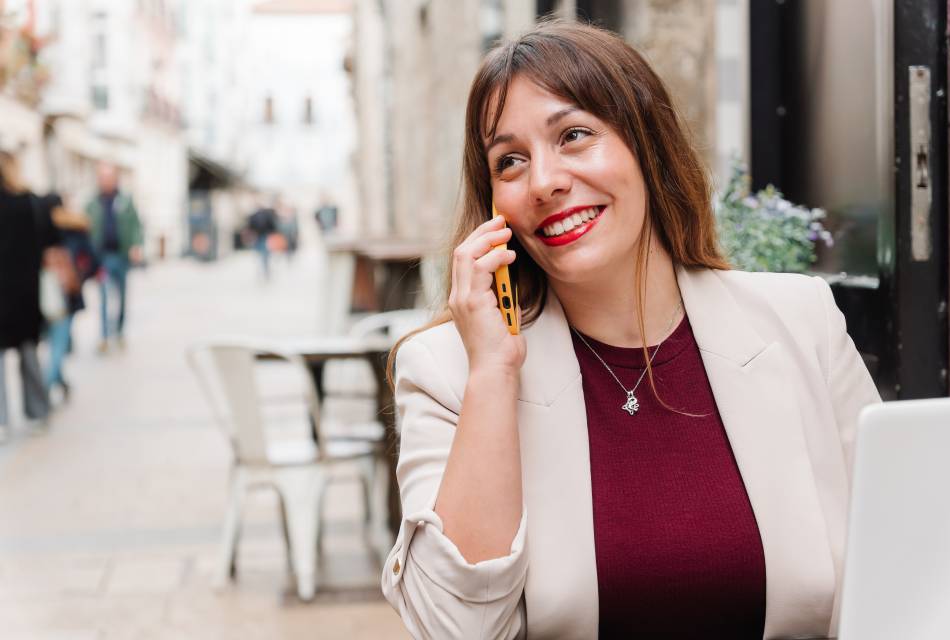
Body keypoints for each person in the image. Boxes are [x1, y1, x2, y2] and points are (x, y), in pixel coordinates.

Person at [381, 21, 881, 640]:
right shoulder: (447, 371)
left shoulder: (801, 323)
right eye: (510, 161)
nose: (544, 182)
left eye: (574, 135)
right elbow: (453, 627)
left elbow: (897, 567)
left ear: (648, 146)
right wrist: (492, 373)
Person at [0, 151, 54, 440]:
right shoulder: (31, 203)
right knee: (29, 355)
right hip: (25, 291)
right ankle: (37, 411)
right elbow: (50, 239)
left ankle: (1, 420)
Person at [85, 162, 144, 353]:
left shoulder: (125, 200)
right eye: (102, 177)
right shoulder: (92, 203)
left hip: (121, 256)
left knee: (122, 297)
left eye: (109, 177)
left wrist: (136, 246)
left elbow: (137, 226)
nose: (105, 181)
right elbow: (85, 229)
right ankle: (103, 336)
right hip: (102, 258)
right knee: (103, 297)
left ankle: (118, 332)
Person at [45, 196, 99, 401]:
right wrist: (80, 277)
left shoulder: (42, 230)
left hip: (47, 296)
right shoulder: (77, 229)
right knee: (58, 346)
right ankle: (53, 384)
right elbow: (93, 260)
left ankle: (47, 388)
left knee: (55, 346)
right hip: (66, 296)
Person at [247, 203, 278, 279]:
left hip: (262, 236)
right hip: (260, 236)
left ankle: (264, 267)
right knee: (263, 252)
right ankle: (264, 267)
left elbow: (271, 226)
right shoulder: (259, 216)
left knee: (263, 252)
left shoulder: (258, 216)